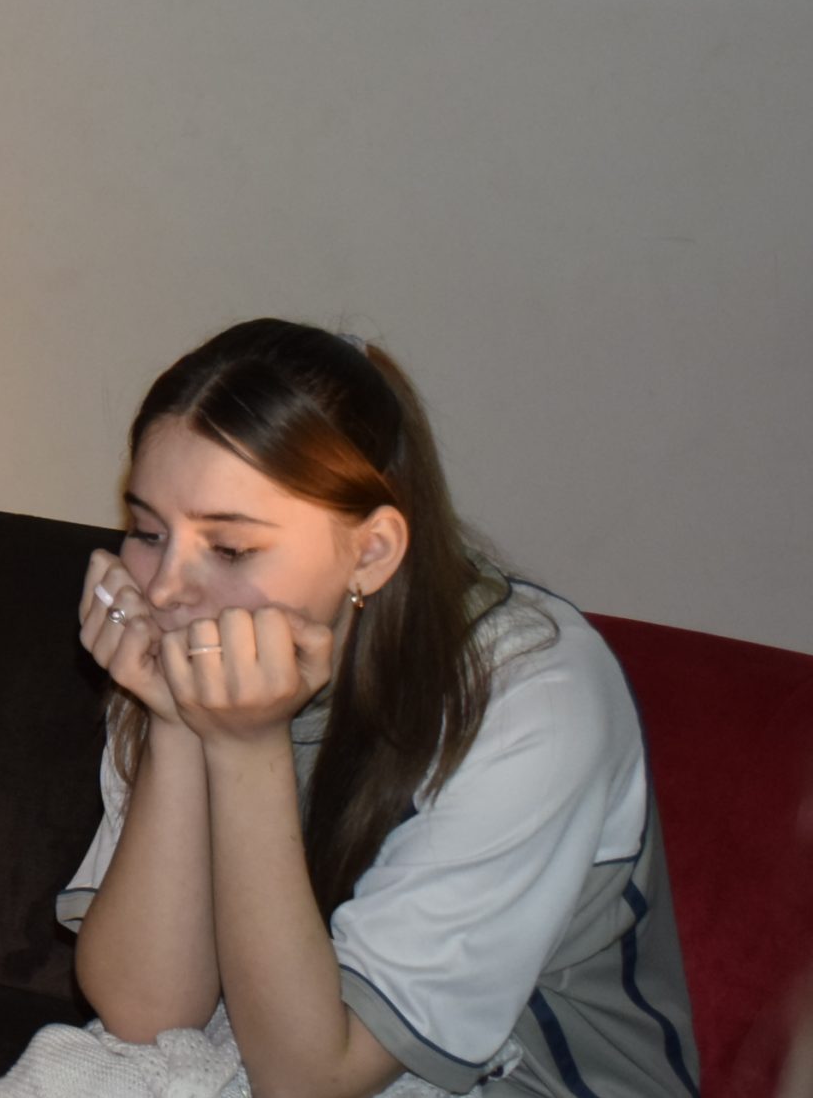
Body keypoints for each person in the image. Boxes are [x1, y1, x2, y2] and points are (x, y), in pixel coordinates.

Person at [49, 319, 695, 1097]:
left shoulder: (534, 696)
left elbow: (312, 1079)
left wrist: (247, 748)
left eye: (230, 548)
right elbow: (148, 1014)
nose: (163, 588)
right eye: (149, 530)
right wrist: (176, 726)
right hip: (274, 1042)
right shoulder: (193, 635)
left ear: (372, 551)